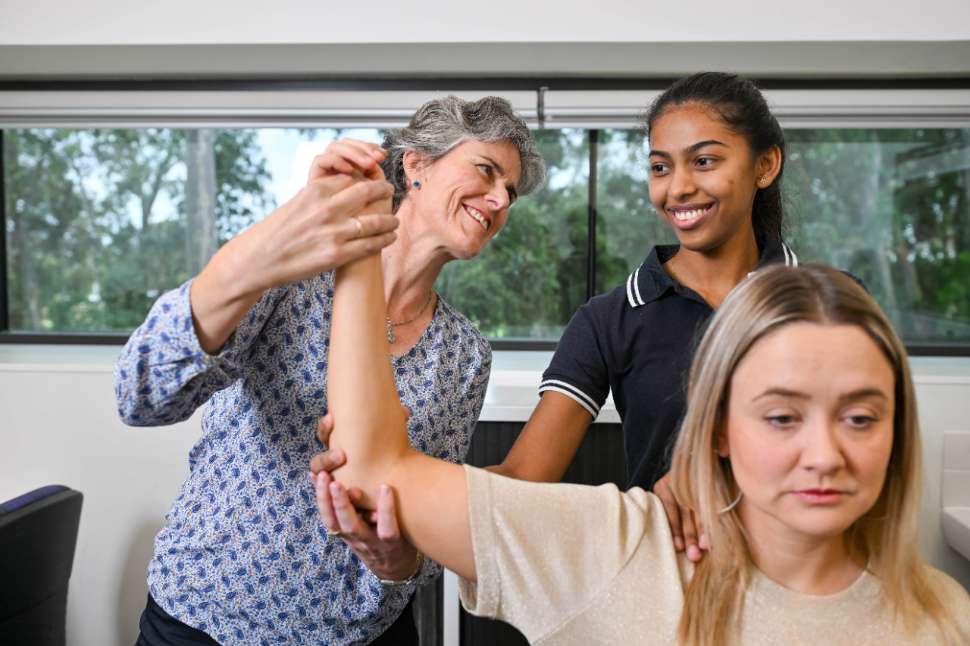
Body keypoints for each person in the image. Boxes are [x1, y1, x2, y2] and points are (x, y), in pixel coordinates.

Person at [317, 261, 970, 645]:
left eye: (860, 417)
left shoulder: (946, 617)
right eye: (780, 417)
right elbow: (374, 467)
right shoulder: (618, 549)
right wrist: (361, 250)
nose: (825, 454)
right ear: (718, 429)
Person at [314, 71, 802, 564]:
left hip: (807, 575)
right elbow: (522, 481)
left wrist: (709, 477)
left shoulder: (826, 303)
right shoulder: (610, 319)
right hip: (672, 585)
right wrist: (396, 488)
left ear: (765, 166)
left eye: (704, 161)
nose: (678, 188)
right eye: (659, 167)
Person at [114, 96, 545, 645]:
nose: (500, 199)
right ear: (416, 165)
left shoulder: (464, 354)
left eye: (510, 191)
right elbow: (142, 395)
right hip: (207, 620)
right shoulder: (293, 276)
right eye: (487, 171)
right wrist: (275, 240)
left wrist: (400, 561)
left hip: (360, 635)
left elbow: (431, 534)